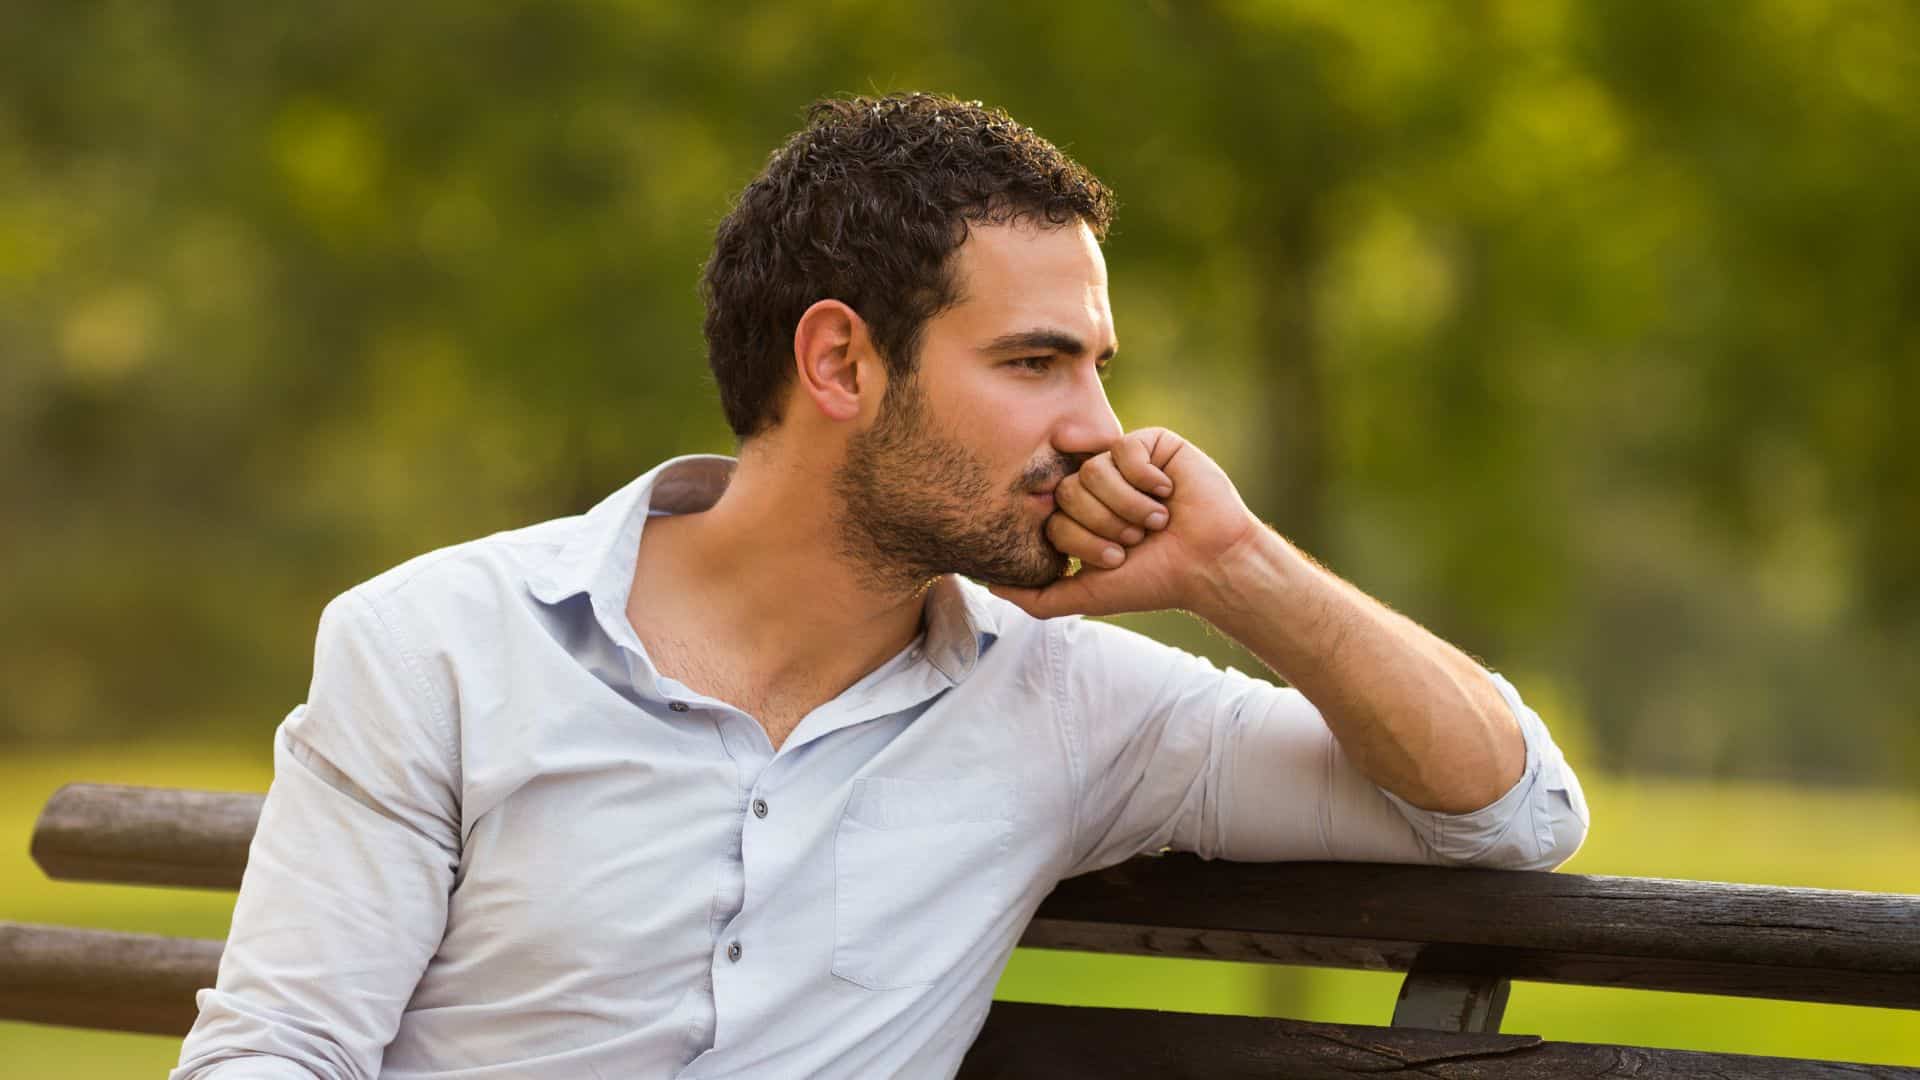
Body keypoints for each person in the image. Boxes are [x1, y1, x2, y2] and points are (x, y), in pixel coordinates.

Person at [172, 92, 1590, 1079]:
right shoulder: (439, 648)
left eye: (1100, 365)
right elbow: (279, 1053)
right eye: (1037, 363)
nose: (1099, 425)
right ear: (841, 363)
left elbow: (1511, 813)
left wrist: (1237, 571)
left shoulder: (1077, 706)